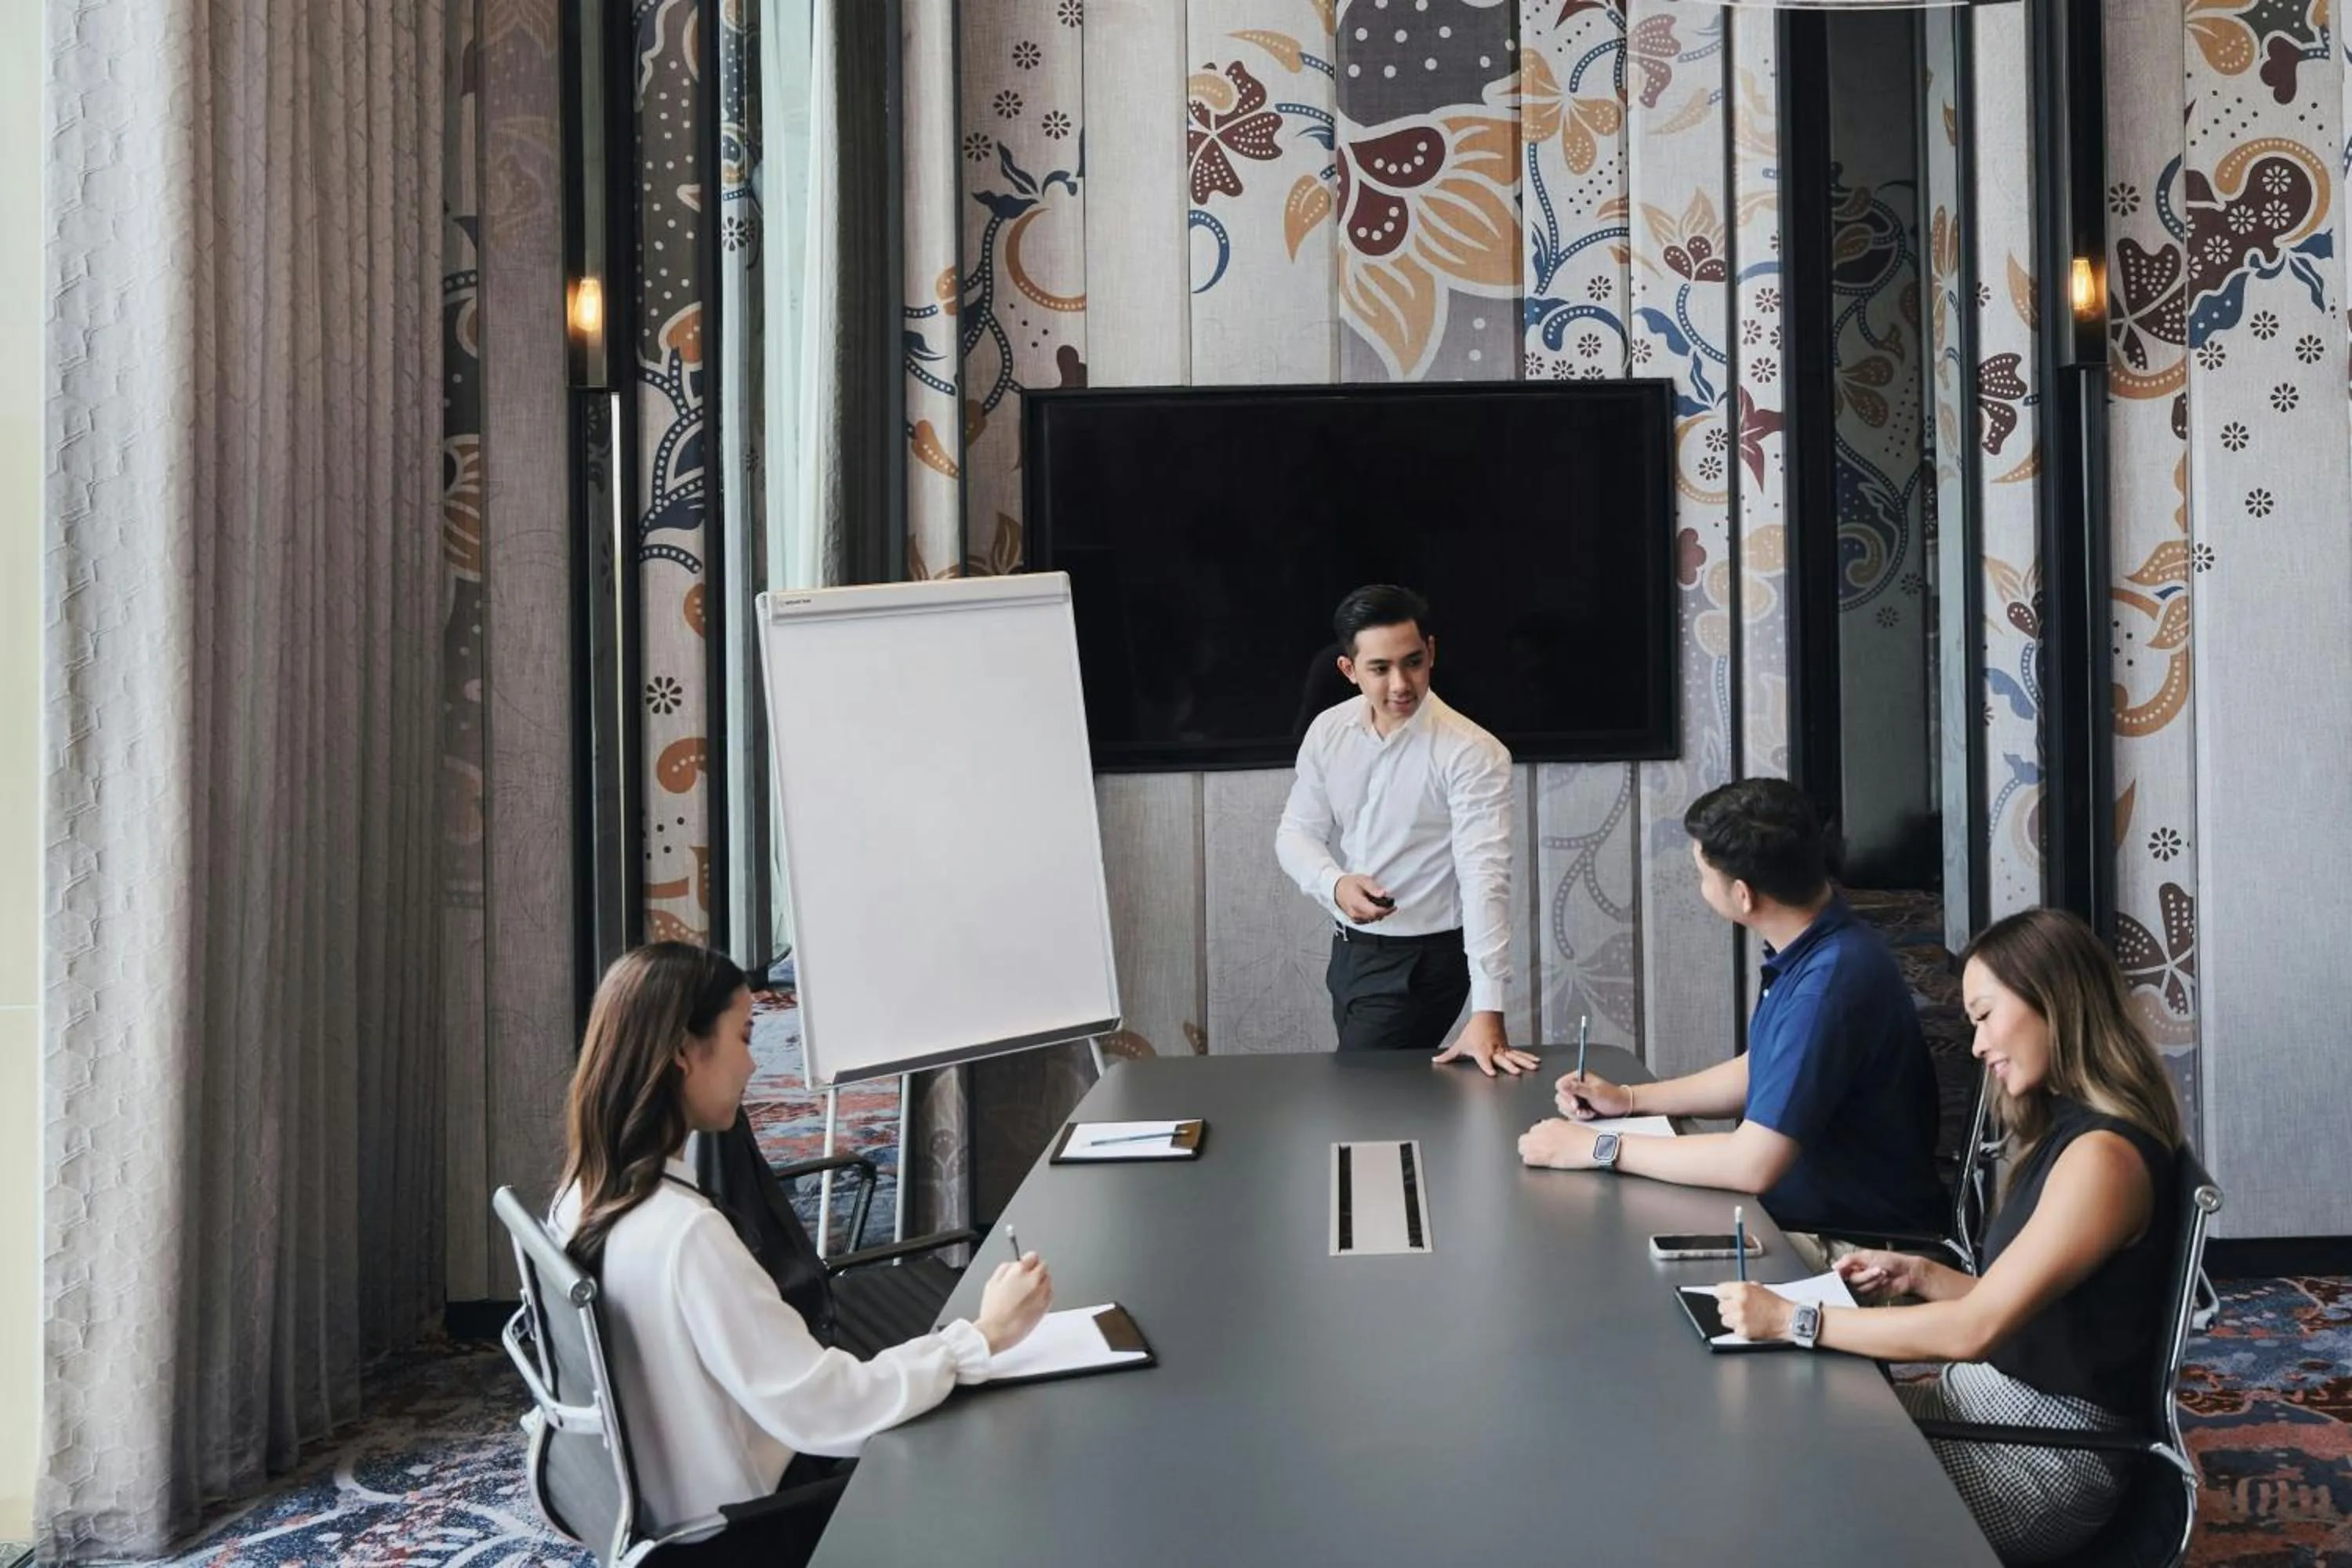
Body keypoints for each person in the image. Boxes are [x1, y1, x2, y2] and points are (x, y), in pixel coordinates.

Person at [1711, 908, 2186, 1565]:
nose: (1977, 1044)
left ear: (2051, 998)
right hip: (1985, 1403)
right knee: (1783, 1427)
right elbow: (2043, 1312)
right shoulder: (2074, 1130)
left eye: (1986, 1016)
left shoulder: (2102, 1159)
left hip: (2041, 1458)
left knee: (1784, 1495)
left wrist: (1794, 1320)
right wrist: (1923, 1275)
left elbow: (1975, 1332)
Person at [549, 942, 1054, 1543]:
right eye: (743, 1037)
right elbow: (830, 1411)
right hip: (746, 1528)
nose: (754, 1066)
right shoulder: (686, 1237)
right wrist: (982, 1336)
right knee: (1010, 1444)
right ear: (685, 1052)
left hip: (672, 1503)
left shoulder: (580, 1196)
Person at [1517, 777, 1944, 1254]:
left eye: (1702, 874)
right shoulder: (1825, 943)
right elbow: (1767, 1067)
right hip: (1799, 1215)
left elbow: (1751, 1164)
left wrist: (1596, 1149)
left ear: (1743, 895)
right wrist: (1630, 1099)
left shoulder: (1828, 987)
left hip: (1849, 1244)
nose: (1700, 886)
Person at [1276, 583, 1539, 1076]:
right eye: (1379, 669)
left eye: (1413, 662)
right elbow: (1295, 833)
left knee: (1359, 1095)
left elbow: (1485, 878)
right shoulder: (1328, 732)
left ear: (1432, 653)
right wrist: (1335, 882)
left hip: (1424, 964)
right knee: (1383, 1103)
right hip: (1349, 954)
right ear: (1348, 670)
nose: (1401, 683)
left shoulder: (1471, 753)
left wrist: (1489, 1010)